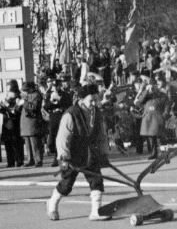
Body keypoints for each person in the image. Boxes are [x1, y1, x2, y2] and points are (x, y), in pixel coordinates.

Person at [46, 84, 111, 221]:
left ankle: (96, 212)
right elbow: (63, 137)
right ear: (81, 100)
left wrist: (104, 153)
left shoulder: (97, 113)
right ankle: (52, 204)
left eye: (95, 100)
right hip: (72, 155)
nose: (93, 103)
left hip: (91, 153)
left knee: (96, 180)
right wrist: (63, 156)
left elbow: (102, 135)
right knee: (66, 184)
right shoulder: (71, 114)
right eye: (90, 101)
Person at [135, 72, 175, 160]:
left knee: (161, 136)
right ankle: (154, 153)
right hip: (148, 118)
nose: (153, 88)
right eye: (152, 86)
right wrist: (146, 90)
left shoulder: (163, 95)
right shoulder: (147, 96)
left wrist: (164, 116)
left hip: (158, 118)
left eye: (155, 86)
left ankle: (164, 153)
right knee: (150, 136)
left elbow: (167, 106)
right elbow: (139, 102)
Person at [43, 76, 71, 167]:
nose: (55, 88)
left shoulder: (65, 94)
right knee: (51, 140)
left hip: (62, 117)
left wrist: (60, 99)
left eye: (57, 86)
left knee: (61, 138)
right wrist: (51, 101)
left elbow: (69, 104)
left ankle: (57, 157)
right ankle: (54, 152)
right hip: (53, 118)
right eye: (53, 86)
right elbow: (46, 107)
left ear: (60, 86)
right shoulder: (49, 95)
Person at [20, 81, 45, 167]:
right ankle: (30, 159)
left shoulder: (36, 95)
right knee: (27, 143)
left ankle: (38, 160)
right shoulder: (27, 96)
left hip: (33, 121)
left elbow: (35, 107)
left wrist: (25, 102)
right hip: (26, 122)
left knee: (35, 143)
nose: (26, 91)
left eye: (27, 89)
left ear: (32, 88)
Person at [0, 83, 25, 168]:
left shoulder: (18, 99)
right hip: (7, 124)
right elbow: (5, 111)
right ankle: (10, 162)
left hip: (15, 124)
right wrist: (2, 108)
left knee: (17, 144)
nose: (8, 93)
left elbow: (15, 112)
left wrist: (6, 107)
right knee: (8, 144)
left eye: (9, 91)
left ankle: (19, 161)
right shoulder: (7, 99)